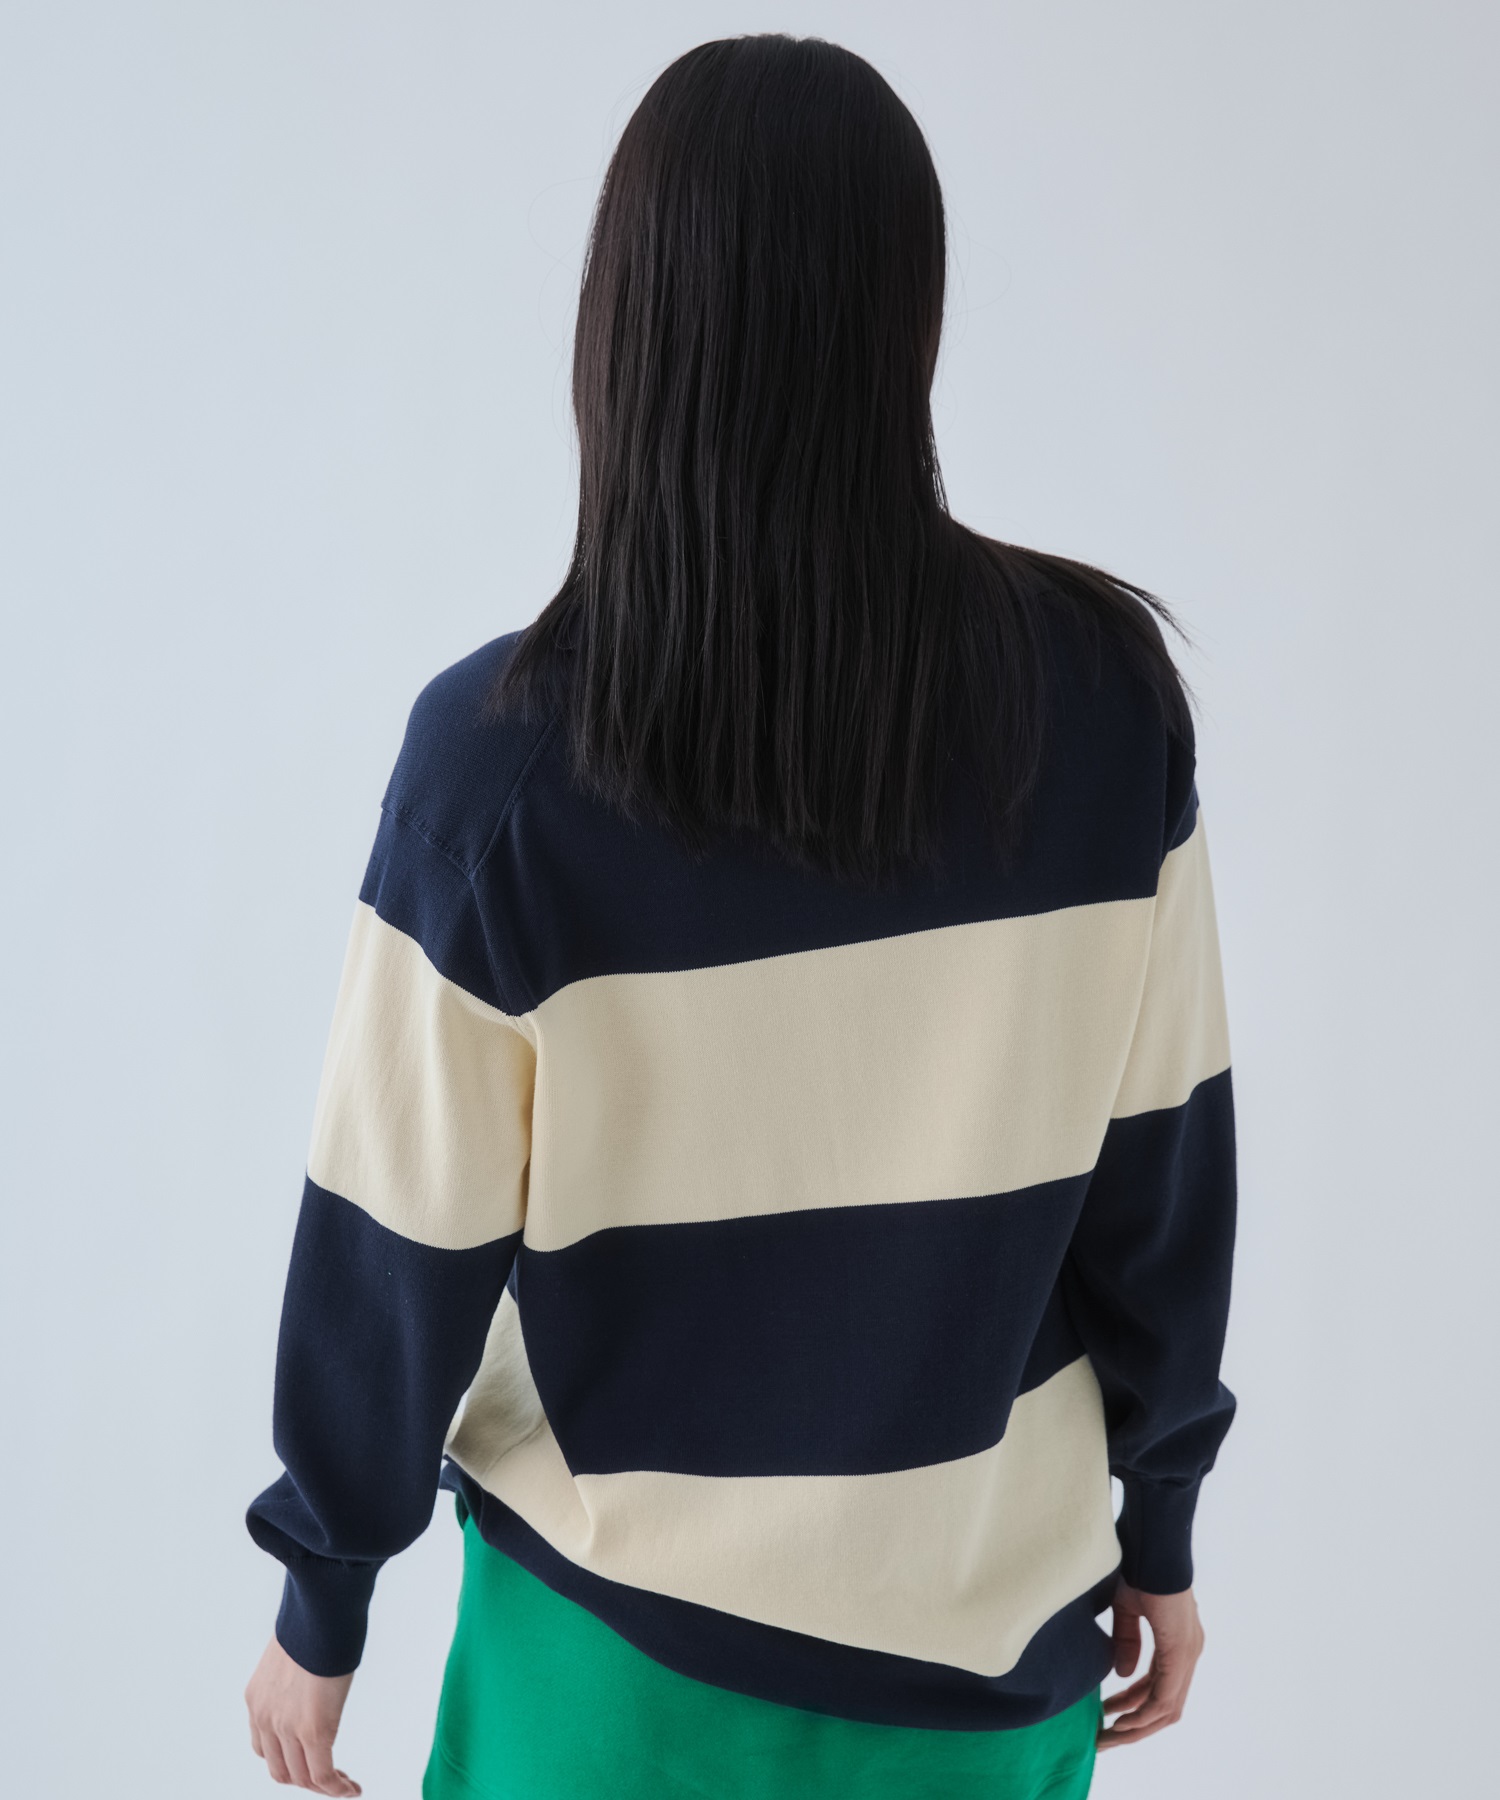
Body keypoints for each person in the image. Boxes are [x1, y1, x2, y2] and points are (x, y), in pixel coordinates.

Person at [244, 32, 1237, 1800]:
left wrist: (324, 1594)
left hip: (612, 1680)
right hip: (987, 1667)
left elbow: (397, 1232)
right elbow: (1162, 1172)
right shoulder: (1103, 707)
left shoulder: (502, 770)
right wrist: (1158, 1519)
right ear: (908, 316)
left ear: (626, 324)